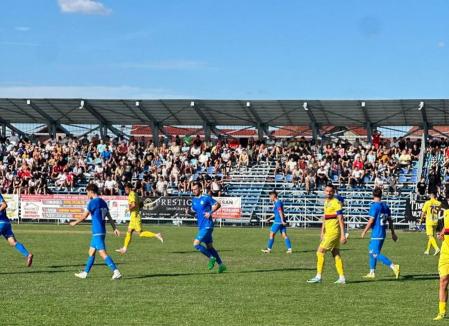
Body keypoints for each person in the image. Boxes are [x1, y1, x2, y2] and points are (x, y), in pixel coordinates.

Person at [70, 184, 122, 280]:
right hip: (101, 231)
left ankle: (116, 271)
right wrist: (114, 228)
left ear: (91, 191)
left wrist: (75, 222)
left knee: (102, 253)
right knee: (91, 252)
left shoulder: (92, 202)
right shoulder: (103, 201)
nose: (87, 194)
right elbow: (109, 216)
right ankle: (85, 273)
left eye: (87, 192)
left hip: (97, 231)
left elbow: (84, 216)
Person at [307, 184, 347, 284]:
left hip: (334, 232)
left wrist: (343, 234)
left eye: (330, 191)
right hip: (328, 232)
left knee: (319, 252)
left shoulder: (336, 202)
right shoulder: (326, 202)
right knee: (335, 253)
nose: (328, 193)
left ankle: (318, 276)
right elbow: (325, 218)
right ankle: (342, 278)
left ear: (333, 192)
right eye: (327, 191)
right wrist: (322, 232)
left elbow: (341, 218)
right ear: (324, 191)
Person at [360, 188, 400, 279]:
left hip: (377, 233)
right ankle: (372, 272)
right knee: (372, 252)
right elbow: (390, 220)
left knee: (374, 253)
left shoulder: (374, 206)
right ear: (381, 195)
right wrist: (393, 233)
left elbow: (371, 220)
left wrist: (364, 231)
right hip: (382, 233)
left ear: (373, 195)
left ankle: (393, 266)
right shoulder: (385, 206)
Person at [116, 183, 163, 254]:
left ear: (129, 188)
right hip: (134, 216)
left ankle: (156, 235)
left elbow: (134, 205)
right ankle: (124, 248)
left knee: (140, 234)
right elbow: (141, 204)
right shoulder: (135, 194)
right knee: (129, 231)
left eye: (126, 189)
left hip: (135, 217)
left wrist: (128, 209)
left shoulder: (131, 194)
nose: (125, 190)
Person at [190, 181, 226, 273]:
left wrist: (210, 213)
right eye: (192, 189)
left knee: (196, 244)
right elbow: (197, 213)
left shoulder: (206, 197)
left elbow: (218, 204)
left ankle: (211, 258)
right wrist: (190, 213)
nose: (194, 191)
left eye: (195, 189)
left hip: (208, 225)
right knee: (209, 247)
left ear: (200, 189)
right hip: (201, 226)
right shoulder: (194, 200)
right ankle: (221, 265)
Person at [0, 192, 33, 266]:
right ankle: (27, 255)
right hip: (6, 224)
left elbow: (4, 205)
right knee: (13, 242)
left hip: (1, 223)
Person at [434, 197, 449, 320]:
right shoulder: (447, 212)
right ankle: (442, 312)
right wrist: (442, 231)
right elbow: (446, 227)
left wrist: (446, 231)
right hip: (446, 252)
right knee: (443, 281)